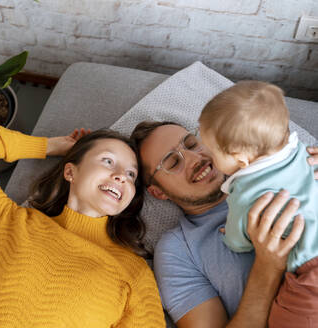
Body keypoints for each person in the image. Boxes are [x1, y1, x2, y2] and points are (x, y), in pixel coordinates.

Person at [0, 122, 165, 327]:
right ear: (70, 172)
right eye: (108, 161)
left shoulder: (134, 273)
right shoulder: (11, 224)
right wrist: (49, 146)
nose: (121, 177)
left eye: (131, 174)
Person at [130, 120, 318, 328]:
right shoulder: (177, 251)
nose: (195, 158)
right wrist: (268, 266)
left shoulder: (273, 165)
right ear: (158, 192)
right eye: (173, 162)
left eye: (192, 144)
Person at [198, 81, 318, 327]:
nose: (204, 156)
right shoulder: (305, 152)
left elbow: (238, 240)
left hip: (309, 272)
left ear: (241, 159)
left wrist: (231, 238)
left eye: (210, 151)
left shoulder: (245, 192)